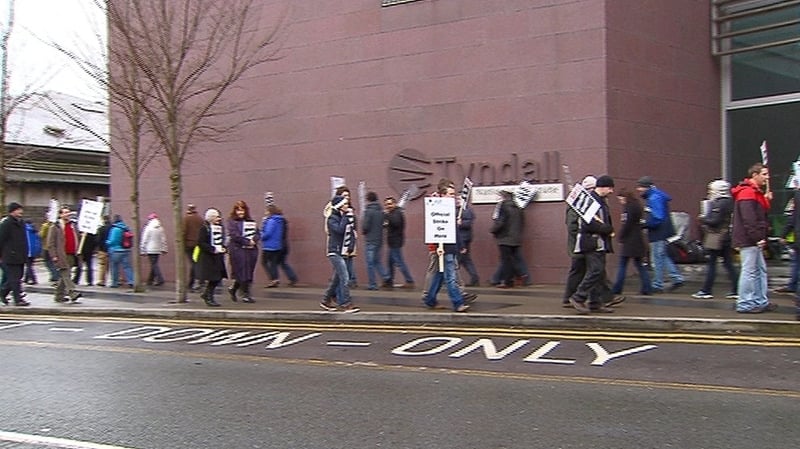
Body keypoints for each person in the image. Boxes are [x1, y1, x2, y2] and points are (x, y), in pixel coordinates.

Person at [731, 163, 775, 313]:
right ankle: (746, 302)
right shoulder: (747, 193)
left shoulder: (753, 193)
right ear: (754, 175)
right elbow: (749, 219)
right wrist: (758, 237)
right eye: (764, 174)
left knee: (757, 270)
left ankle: (758, 301)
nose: (767, 177)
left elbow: (758, 213)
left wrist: (766, 200)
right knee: (750, 271)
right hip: (750, 239)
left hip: (752, 239)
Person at [568, 175, 616, 314]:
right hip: (592, 242)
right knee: (595, 270)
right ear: (603, 187)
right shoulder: (590, 202)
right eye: (610, 188)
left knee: (599, 273)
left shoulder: (601, 201)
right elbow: (587, 224)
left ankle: (595, 303)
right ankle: (578, 297)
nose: (612, 191)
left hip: (600, 242)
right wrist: (605, 229)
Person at [422, 184, 470, 312]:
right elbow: (436, 229)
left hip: (450, 247)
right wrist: (437, 246)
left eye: (454, 194)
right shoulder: (437, 209)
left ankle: (430, 299)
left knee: (440, 275)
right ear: (443, 194)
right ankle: (458, 303)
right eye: (450, 194)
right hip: (444, 249)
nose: (453, 196)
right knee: (450, 277)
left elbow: (454, 231)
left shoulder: (450, 210)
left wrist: (460, 246)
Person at [637, 176, 684, 293]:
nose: (638, 189)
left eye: (640, 187)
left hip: (658, 232)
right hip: (663, 231)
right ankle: (675, 277)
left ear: (646, 187)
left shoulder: (653, 198)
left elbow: (657, 218)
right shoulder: (657, 195)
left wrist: (646, 224)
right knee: (662, 255)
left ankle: (658, 283)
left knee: (657, 258)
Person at [692, 180, 738, 300]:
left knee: (712, 264)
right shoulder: (729, 202)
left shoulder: (719, 203)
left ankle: (706, 289)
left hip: (717, 236)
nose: (710, 192)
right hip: (726, 236)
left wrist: (703, 219)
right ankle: (736, 288)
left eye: (711, 190)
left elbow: (715, 221)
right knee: (728, 264)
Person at [321, 195, 360, 312]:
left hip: (343, 251)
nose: (347, 206)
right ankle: (346, 303)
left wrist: (350, 248)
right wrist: (346, 217)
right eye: (345, 204)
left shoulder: (345, 217)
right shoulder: (331, 218)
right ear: (339, 206)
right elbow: (339, 230)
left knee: (336, 279)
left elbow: (352, 232)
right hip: (334, 251)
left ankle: (326, 300)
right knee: (345, 277)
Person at [611, 188, 651, 296]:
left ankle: (617, 288)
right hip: (638, 239)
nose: (621, 202)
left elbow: (627, 224)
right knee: (640, 265)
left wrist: (621, 236)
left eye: (621, 199)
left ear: (625, 197)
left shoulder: (628, 207)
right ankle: (647, 287)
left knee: (622, 264)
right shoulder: (637, 205)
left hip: (629, 240)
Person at [47, 205, 83, 303]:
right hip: (61, 255)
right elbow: (51, 243)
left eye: (68, 212)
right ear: (60, 214)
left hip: (72, 254)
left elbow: (78, 238)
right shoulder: (55, 226)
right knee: (66, 274)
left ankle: (58, 296)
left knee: (64, 276)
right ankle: (72, 292)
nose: (67, 214)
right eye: (65, 212)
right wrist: (53, 255)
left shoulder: (73, 225)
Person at [490, 188, 524, 288]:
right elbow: (522, 222)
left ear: (504, 197)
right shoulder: (518, 207)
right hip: (516, 237)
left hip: (505, 237)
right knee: (512, 259)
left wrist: (493, 230)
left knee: (506, 261)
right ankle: (518, 276)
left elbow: (501, 222)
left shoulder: (503, 206)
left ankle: (508, 281)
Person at [226, 201, 258, 302]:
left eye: (242, 209)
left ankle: (234, 289)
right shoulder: (232, 221)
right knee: (241, 271)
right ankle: (246, 294)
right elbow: (235, 235)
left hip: (250, 250)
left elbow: (258, 232)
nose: (240, 212)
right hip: (237, 249)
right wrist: (247, 241)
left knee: (248, 271)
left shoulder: (250, 221)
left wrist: (254, 240)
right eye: (238, 210)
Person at [0, 202, 31, 306]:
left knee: (17, 277)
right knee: (15, 279)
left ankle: (2, 292)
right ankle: (18, 299)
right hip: (10, 255)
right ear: (12, 211)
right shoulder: (6, 223)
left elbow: (23, 239)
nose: (20, 212)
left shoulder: (21, 223)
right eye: (18, 210)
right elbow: (1, 239)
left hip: (21, 254)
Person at [196, 208, 227, 307]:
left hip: (218, 257)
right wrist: (212, 249)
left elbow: (223, 240)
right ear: (211, 218)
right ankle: (209, 297)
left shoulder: (220, 228)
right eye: (217, 217)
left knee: (218, 278)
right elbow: (201, 242)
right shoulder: (205, 228)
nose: (219, 219)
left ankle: (206, 294)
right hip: (208, 258)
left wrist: (224, 248)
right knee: (214, 278)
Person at [361, 191, 390, 290]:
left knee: (370, 263)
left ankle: (372, 284)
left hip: (370, 240)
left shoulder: (368, 211)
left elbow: (365, 226)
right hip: (379, 239)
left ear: (368, 199)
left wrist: (364, 231)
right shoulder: (381, 211)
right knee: (377, 260)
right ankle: (386, 276)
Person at [384, 195, 415, 288]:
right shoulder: (394, 212)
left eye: (390, 204)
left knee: (399, 261)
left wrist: (387, 216)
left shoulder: (396, 213)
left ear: (394, 204)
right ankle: (389, 281)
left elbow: (396, 223)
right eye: (386, 204)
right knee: (390, 262)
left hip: (395, 241)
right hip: (393, 241)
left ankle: (409, 280)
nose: (388, 206)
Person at [106, 214, 135, 289]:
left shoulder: (115, 229)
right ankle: (131, 281)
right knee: (127, 267)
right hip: (126, 250)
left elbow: (112, 241)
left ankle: (114, 282)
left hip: (116, 251)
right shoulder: (126, 228)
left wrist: (107, 242)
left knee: (114, 267)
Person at [457, 194, 480, 287]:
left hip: (463, 238)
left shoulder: (466, 210)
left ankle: (449, 279)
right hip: (462, 238)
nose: (456, 200)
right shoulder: (459, 210)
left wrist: (460, 223)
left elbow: (468, 224)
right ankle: (474, 278)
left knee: (458, 260)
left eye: (458, 199)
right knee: (465, 260)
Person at [140, 212, 167, 287]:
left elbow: (144, 239)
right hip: (158, 249)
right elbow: (163, 239)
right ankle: (150, 280)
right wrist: (164, 248)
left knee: (154, 264)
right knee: (154, 264)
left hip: (150, 249)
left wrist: (142, 249)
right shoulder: (160, 227)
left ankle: (160, 279)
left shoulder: (148, 227)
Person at [183, 203, 204, 291]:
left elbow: (183, 232)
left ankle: (193, 282)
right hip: (199, 244)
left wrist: (182, 244)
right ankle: (199, 281)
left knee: (193, 263)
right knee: (197, 262)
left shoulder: (186, 219)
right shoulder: (200, 219)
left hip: (189, 244)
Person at [39, 218, 60, 285]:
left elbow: (41, 235)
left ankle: (55, 275)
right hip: (54, 247)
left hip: (47, 247)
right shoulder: (57, 226)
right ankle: (54, 276)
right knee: (53, 262)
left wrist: (43, 228)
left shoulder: (46, 226)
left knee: (48, 262)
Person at [23, 219, 41, 285]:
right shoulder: (34, 230)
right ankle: (26, 279)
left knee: (29, 265)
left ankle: (33, 279)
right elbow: (38, 240)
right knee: (30, 264)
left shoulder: (25, 230)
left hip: (27, 250)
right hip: (34, 250)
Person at [95, 215, 111, 287]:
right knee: (111, 266)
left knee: (102, 265)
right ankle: (113, 280)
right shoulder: (112, 228)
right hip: (111, 249)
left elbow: (98, 240)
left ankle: (101, 281)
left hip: (102, 249)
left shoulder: (101, 229)